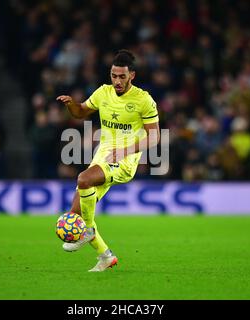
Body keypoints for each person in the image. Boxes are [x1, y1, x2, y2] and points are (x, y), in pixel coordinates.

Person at [56, 49, 160, 272]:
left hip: (124, 162)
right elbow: (81, 112)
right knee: (76, 213)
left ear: (132, 75)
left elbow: (155, 137)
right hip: (103, 157)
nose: (117, 81)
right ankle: (105, 256)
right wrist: (71, 104)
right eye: (114, 76)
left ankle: (87, 232)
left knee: (84, 179)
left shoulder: (144, 100)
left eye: (122, 76)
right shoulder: (103, 92)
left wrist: (126, 151)